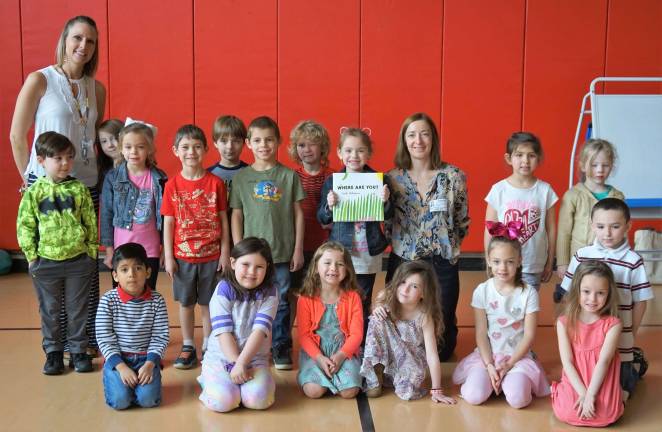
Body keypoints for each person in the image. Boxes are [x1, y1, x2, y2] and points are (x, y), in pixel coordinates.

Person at [10, 15, 106, 354]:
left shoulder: (97, 88)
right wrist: (31, 181)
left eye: (91, 41)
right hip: (47, 186)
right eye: (77, 38)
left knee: (85, 268)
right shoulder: (40, 80)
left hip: (85, 186)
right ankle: (57, 341)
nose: (83, 46)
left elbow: (92, 138)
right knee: (52, 268)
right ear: (64, 39)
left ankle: (85, 340)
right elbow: (16, 136)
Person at [386, 112, 470, 361]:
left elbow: (462, 219)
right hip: (404, 259)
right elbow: (386, 220)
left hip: (441, 259)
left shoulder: (454, 176)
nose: (418, 140)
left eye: (424, 134)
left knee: (443, 348)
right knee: (400, 317)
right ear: (404, 140)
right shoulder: (392, 179)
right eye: (411, 134)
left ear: (433, 138)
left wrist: (445, 243)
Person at [16, 131, 97, 374]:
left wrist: (91, 252)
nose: (65, 163)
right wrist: (31, 256)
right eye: (58, 158)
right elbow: (25, 225)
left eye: (69, 157)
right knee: (50, 310)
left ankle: (78, 352)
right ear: (41, 160)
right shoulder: (34, 192)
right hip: (46, 263)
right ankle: (53, 353)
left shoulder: (78, 189)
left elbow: (89, 221)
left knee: (77, 309)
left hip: (78, 261)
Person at [230, 116, 305, 370]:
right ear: (249, 143)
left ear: (279, 142)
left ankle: (281, 346)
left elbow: (298, 213)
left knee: (282, 300)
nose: (264, 145)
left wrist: (297, 248)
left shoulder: (288, 176)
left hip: (282, 252)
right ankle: (249, 347)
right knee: (250, 301)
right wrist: (239, 250)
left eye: (269, 140)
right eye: (258, 140)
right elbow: (237, 214)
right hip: (252, 256)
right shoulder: (241, 178)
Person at [559, 198, 654, 401]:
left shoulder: (633, 261)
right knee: (582, 389)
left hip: (620, 340)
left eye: (615, 226)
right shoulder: (582, 256)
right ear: (592, 225)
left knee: (616, 398)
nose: (607, 233)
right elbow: (569, 295)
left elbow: (641, 301)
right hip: (587, 341)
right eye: (600, 227)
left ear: (628, 226)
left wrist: (631, 332)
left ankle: (634, 365)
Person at [452, 227, 550, 408]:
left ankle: (508, 383)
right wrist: (489, 365)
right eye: (496, 261)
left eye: (509, 262)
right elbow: (481, 333)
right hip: (488, 355)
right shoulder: (482, 291)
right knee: (474, 396)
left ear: (519, 261)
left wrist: (509, 365)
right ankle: (491, 382)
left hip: (517, 358)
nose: (502, 268)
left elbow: (529, 335)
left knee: (518, 400)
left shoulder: (528, 293)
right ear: (489, 261)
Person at [162, 124, 231, 369]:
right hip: (183, 257)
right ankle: (189, 344)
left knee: (208, 303)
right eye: (185, 147)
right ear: (175, 151)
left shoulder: (216, 183)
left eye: (197, 147)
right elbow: (168, 223)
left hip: (212, 256)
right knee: (186, 303)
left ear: (205, 149)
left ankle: (210, 343)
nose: (191, 152)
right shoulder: (172, 185)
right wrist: (168, 257)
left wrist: (225, 252)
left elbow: (223, 219)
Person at [318, 127, 392, 337]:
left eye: (360, 151)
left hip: (368, 251)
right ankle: (339, 338)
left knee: (363, 298)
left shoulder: (379, 180)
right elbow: (322, 218)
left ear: (368, 154)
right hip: (342, 251)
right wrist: (329, 206)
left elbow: (388, 216)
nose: (354, 156)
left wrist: (385, 201)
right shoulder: (333, 182)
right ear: (339, 153)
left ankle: (361, 343)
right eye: (348, 151)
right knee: (339, 297)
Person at [198, 238, 278, 412]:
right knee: (224, 402)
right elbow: (223, 332)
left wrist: (243, 363)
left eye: (259, 267)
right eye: (246, 264)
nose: (251, 272)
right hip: (222, 358)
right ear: (233, 263)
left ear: (267, 268)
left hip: (254, 359)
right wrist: (236, 364)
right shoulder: (223, 289)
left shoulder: (270, 292)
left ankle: (244, 387)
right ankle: (209, 380)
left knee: (258, 400)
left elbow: (260, 330)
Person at [361, 260, 456, 404]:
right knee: (376, 318)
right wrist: (377, 309)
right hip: (388, 351)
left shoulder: (424, 316)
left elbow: (431, 354)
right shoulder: (388, 298)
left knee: (409, 392)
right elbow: (376, 320)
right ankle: (377, 368)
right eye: (403, 282)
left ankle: (393, 375)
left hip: (409, 357)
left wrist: (436, 389)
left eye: (414, 286)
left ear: (423, 293)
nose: (405, 290)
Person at [96, 242, 169, 410]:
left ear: (148, 272)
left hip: (146, 359)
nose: (132, 275)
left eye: (137, 268)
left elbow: (160, 336)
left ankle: (139, 388)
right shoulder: (108, 300)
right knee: (120, 401)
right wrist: (121, 367)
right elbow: (104, 337)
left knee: (148, 401)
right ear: (115, 275)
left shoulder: (157, 300)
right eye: (124, 270)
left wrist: (150, 364)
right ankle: (117, 381)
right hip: (119, 359)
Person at [551, 260, 623, 426]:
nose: (592, 299)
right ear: (577, 290)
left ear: (609, 293)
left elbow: (604, 362)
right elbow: (567, 362)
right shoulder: (564, 323)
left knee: (606, 416)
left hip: (599, 379)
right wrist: (583, 394)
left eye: (600, 293)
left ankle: (624, 390)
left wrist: (591, 395)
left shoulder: (613, 324)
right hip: (576, 379)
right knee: (567, 412)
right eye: (586, 291)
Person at [485, 132, 558, 292]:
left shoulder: (545, 191)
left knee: (527, 307)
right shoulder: (499, 190)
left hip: (532, 264)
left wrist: (550, 260)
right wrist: (489, 260)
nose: (525, 161)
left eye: (531, 155)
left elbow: (551, 229)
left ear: (538, 158)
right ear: (509, 158)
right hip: (504, 263)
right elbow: (490, 228)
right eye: (519, 155)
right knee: (503, 305)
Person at [554, 139, 624, 302]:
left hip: (609, 258)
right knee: (579, 297)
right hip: (579, 260)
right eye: (594, 165)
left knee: (603, 297)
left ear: (611, 166)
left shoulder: (617, 196)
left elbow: (621, 230)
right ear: (583, 166)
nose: (600, 170)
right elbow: (564, 232)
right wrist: (563, 262)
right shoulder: (573, 195)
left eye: (605, 165)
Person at [100, 122, 167, 290]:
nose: (134, 152)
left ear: (150, 149)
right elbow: (107, 214)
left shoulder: (159, 178)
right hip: (121, 249)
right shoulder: (113, 178)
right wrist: (108, 250)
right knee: (121, 296)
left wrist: (166, 248)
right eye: (128, 147)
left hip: (150, 250)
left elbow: (166, 216)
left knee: (148, 294)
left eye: (140, 147)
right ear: (121, 148)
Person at [296, 242, 363, 399]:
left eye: (340, 264)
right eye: (327, 263)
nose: (333, 268)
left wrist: (341, 356)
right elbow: (304, 335)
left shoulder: (353, 297)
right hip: (315, 353)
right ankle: (313, 376)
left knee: (349, 392)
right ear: (316, 267)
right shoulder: (306, 298)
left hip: (344, 352)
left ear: (347, 269)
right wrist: (319, 358)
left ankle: (338, 380)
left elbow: (357, 335)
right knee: (314, 391)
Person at [288, 120, 333, 292]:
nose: (306, 150)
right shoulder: (291, 176)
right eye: (301, 145)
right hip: (297, 243)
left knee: (320, 291)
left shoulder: (333, 176)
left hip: (324, 242)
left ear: (323, 147)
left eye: (312, 144)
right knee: (293, 292)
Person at [207, 114, 249, 190]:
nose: (229, 146)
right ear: (215, 143)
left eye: (236, 141)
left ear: (244, 143)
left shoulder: (252, 173)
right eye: (223, 141)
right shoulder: (207, 175)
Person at [95, 118, 123, 189]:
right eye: (104, 141)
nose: (110, 145)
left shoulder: (133, 167)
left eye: (115, 138)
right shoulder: (105, 169)